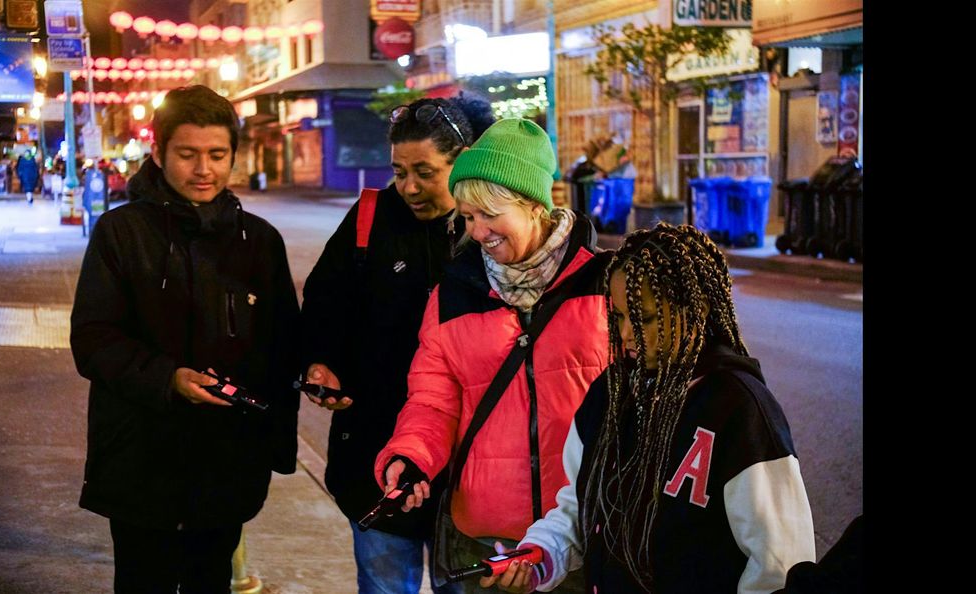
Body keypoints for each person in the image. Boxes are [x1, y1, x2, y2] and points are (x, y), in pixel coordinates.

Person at [485, 223, 816, 593]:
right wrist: (541, 555)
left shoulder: (741, 410)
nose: (626, 335)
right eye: (619, 318)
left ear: (696, 307)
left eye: (644, 318)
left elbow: (779, 562)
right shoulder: (607, 395)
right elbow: (580, 509)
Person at [69, 85, 301, 594]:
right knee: (142, 580)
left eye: (217, 155)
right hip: (140, 454)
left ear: (233, 156)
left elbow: (284, 343)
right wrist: (167, 378)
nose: (204, 170)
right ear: (158, 152)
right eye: (187, 154)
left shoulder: (258, 240)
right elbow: (92, 337)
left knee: (209, 579)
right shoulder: (120, 232)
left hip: (226, 458)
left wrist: (283, 426)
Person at [373, 118, 610, 593]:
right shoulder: (454, 294)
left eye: (489, 214)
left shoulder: (605, 284)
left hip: (583, 530)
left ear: (533, 206)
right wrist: (412, 456)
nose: (477, 231)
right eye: (466, 217)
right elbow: (432, 402)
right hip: (483, 536)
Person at [298, 94, 494, 594]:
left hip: (472, 464)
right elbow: (326, 304)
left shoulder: (493, 229)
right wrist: (321, 364)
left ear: (464, 159)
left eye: (425, 172)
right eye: (399, 171)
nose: (408, 186)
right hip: (378, 455)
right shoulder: (369, 219)